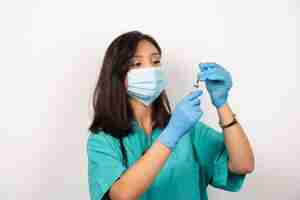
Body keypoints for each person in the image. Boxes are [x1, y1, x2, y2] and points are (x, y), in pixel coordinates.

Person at [86, 30, 255, 200]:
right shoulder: (103, 140)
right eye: (137, 64)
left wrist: (222, 104)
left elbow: (243, 165)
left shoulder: (188, 130)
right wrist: (171, 135)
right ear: (117, 75)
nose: (150, 70)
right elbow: (122, 195)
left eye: (156, 61)